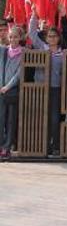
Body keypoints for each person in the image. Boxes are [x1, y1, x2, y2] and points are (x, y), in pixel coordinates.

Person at [28, 12, 64, 156]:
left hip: (55, 88)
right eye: (50, 36)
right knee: (40, 117)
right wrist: (34, 15)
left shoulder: (63, 53)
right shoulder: (41, 47)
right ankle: (41, 146)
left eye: (55, 36)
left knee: (55, 118)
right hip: (40, 88)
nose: (52, 39)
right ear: (46, 38)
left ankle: (55, 145)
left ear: (59, 38)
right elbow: (31, 33)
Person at [0, 26, 24, 158]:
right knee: (1, 119)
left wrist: (7, 87)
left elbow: (18, 75)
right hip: (1, 90)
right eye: (10, 37)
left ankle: (7, 147)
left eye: (15, 36)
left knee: (10, 120)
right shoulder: (3, 50)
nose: (12, 39)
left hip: (12, 90)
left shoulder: (24, 52)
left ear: (20, 37)